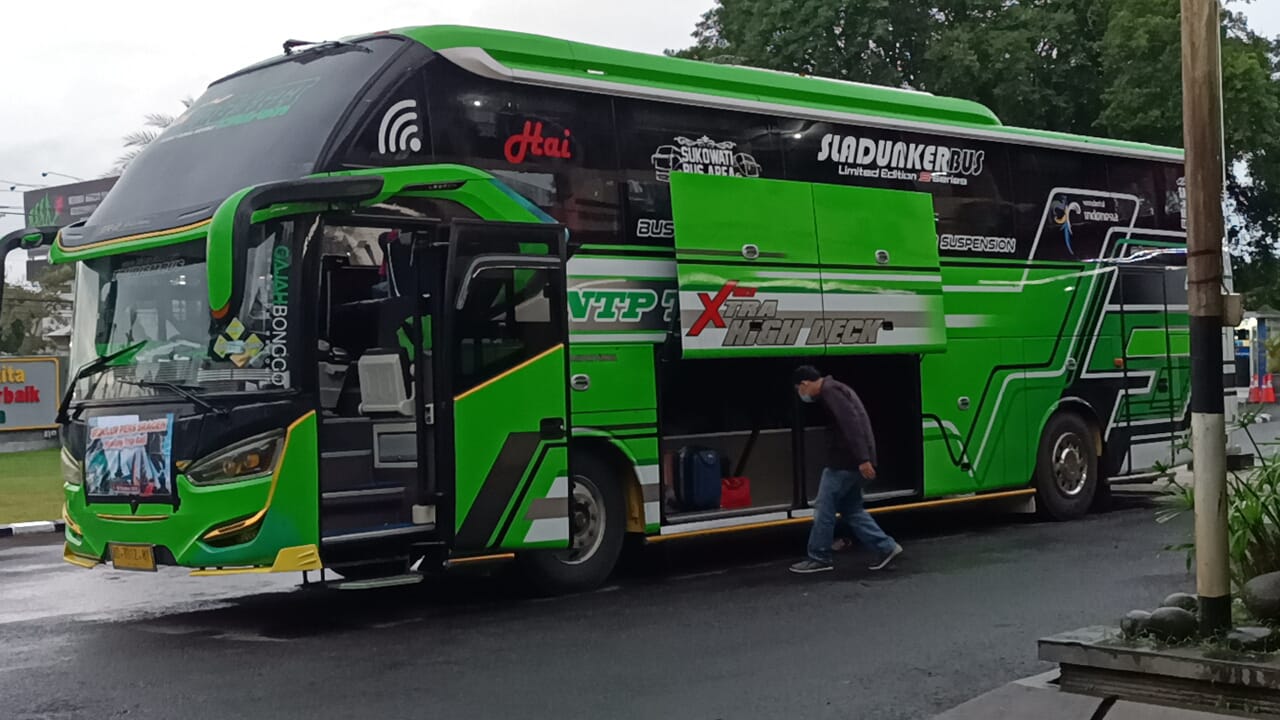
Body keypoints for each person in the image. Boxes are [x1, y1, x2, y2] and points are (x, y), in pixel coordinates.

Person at [789, 365, 903, 574]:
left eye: (799, 390)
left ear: (805, 384)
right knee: (852, 509)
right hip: (852, 461)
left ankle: (819, 556)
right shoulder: (836, 388)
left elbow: (851, 424)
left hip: (844, 462)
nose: (801, 395)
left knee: (824, 507)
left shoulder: (830, 392)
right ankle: (886, 547)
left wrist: (863, 459)